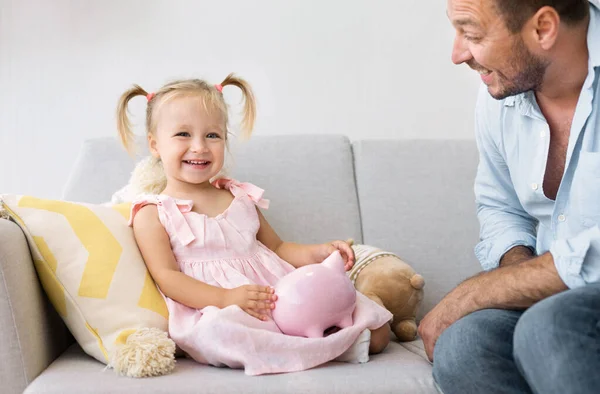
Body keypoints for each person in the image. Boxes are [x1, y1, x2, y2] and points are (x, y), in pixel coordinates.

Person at [116, 74, 392, 376]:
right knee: (219, 332)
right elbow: (167, 277)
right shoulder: (153, 212)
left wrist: (320, 252)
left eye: (212, 135)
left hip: (281, 295)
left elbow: (279, 247)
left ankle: (315, 339)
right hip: (221, 307)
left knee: (378, 329)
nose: (199, 147)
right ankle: (321, 345)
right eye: (183, 134)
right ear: (155, 145)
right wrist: (225, 299)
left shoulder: (239, 196)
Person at [418, 0, 600, 393]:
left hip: (568, 307)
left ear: (543, 28)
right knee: (465, 344)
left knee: (550, 326)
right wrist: (519, 274)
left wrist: (485, 288)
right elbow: (500, 205)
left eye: (472, 33)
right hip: (555, 296)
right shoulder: (502, 93)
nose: (457, 54)